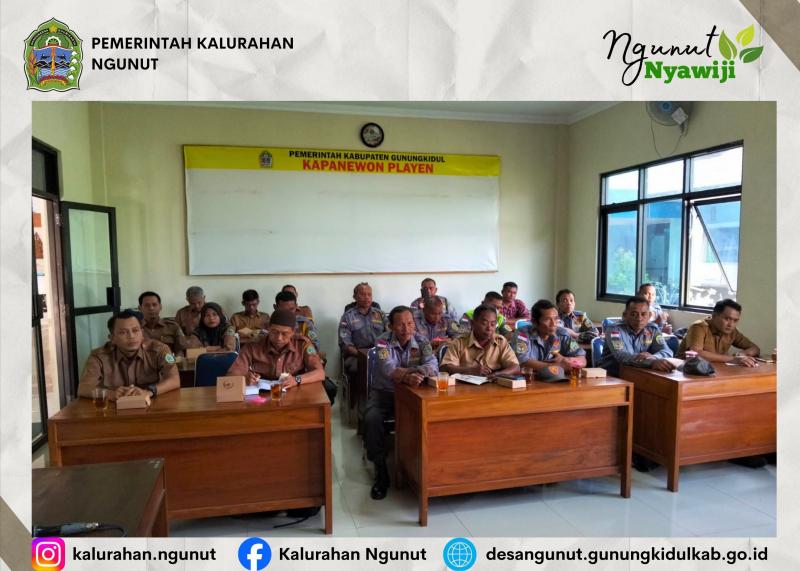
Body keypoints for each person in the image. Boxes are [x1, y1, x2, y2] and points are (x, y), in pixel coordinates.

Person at [364, 306, 438, 500]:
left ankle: (423, 466)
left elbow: (433, 365)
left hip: (414, 394)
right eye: (401, 324)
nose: (407, 328)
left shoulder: (422, 341)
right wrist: (410, 375)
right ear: (391, 326)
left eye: (410, 323)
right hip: (385, 393)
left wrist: (417, 372)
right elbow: (388, 368)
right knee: (372, 418)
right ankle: (380, 470)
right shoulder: (382, 342)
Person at [77, 309, 179, 401]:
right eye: (123, 332)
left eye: (135, 330)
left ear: (142, 333)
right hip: (113, 409)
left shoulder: (160, 350)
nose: (131, 336)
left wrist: (149, 391)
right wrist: (110, 394)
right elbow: (83, 388)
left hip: (150, 405)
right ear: (112, 338)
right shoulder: (98, 356)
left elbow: (175, 380)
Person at [228, 309, 325, 391]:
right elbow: (231, 374)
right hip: (262, 397)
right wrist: (244, 377)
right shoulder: (253, 345)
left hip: (294, 393)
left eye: (284, 334)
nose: (279, 338)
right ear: (268, 328)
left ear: (293, 332)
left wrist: (296, 380)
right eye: (274, 332)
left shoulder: (302, 344)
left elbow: (320, 373)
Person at [599, 296, 674, 377]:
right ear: (625, 315)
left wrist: (654, 357)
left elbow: (667, 351)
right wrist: (651, 362)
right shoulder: (614, 330)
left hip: (641, 375)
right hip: (613, 377)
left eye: (643, 314)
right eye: (634, 314)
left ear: (649, 316)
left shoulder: (653, 329)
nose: (639, 318)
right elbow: (622, 356)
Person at [441, 304, 520, 376]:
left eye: (493, 324)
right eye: (484, 323)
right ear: (472, 324)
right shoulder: (459, 342)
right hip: (466, 386)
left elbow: (515, 367)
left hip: (493, 385)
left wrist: (497, 374)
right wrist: (469, 370)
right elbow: (445, 368)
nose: (489, 328)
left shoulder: (501, 341)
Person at [677, 299, 760, 366]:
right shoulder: (699, 327)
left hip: (714, 371)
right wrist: (732, 359)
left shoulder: (732, 331)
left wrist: (741, 354)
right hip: (685, 371)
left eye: (735, 320)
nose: (731, 324)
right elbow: (696, 354)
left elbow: (755, 348)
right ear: (714, 316)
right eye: (727, 319)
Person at [512, 299, 586, 372]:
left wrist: (566, 359)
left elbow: (582, 358)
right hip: (529, 377)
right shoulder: (522, 335)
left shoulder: (562, 334)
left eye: (556, 319)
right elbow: (522, 361)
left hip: (555, 377)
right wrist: (557, 366)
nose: (553, 324)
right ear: (534, 322)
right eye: (547, 319)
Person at [338, 282, 389, 377]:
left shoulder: (381, 314)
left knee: (392, 365)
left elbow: (390, 336)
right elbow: (345, 344)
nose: (367, 297)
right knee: (365, 367)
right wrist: (364, 355)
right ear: (354, 297)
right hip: (356, 355)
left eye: (369, 294)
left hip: (381, 353)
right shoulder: (347, 317)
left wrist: (380, 353)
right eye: (362, 294)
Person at [138, 291, 187, 355]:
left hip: (168, 360)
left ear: (160, 307)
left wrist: (177, 360)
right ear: (140, 308)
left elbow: (180, 351)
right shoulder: (135, 328)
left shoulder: (173, 327)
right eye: (147, 305)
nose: (151, 308)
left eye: (154, 305)